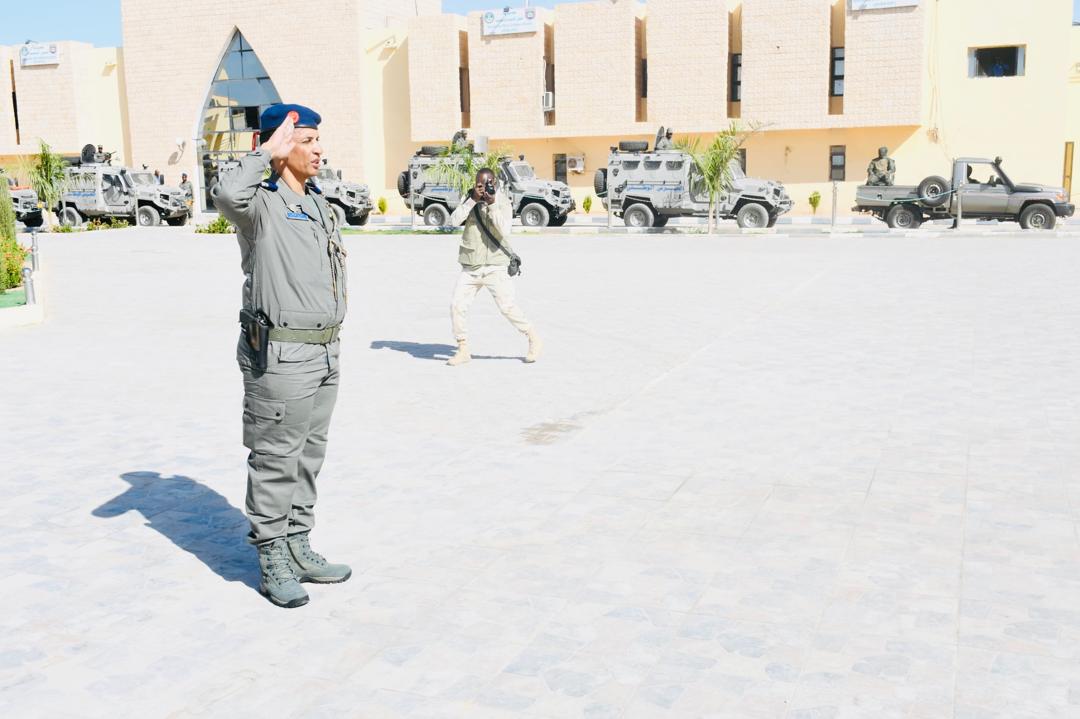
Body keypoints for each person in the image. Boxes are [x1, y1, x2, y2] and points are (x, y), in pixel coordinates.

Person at [212, 103, 351, 609]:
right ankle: (272, 557)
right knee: (275, 457)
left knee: (309, 455)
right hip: (281, 355)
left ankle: (298, 544)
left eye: (317, 140)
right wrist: (266, 152)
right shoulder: (259, 206)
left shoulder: (319, 204)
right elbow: (226, 193)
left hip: (325, 351)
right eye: (306, 140)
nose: (318, 150)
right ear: (279, 146)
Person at [445, 168, 542, 366]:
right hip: (472, 264)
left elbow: (505, 230)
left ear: (495, 183)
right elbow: (453, 221)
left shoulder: (503, 201)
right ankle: (463, 349)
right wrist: (472, 200)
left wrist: (492, 204)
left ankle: (533, 338)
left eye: (488, 183)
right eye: (479, 184)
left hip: (495, 265)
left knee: (507, 307)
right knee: (457, 305)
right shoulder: (469, 198)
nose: (484, 188)